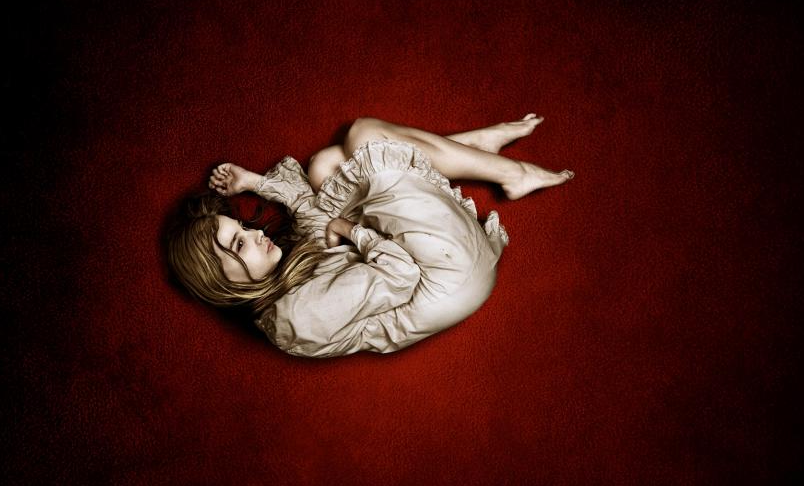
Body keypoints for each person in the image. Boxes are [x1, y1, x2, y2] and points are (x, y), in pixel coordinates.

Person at [165, 115, 573, 358]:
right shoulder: (296, 317)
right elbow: (399, 274)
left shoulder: (281, 291)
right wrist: (347, 229)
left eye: (242, 228)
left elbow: (313, 216)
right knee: (364, 135)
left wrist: (256, 183)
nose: (256, 233)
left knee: (324, 166)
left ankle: (473, 149)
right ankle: (510, 173)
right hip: (446, 276)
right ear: (225, 284)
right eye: (239, 244)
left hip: (426, 269)